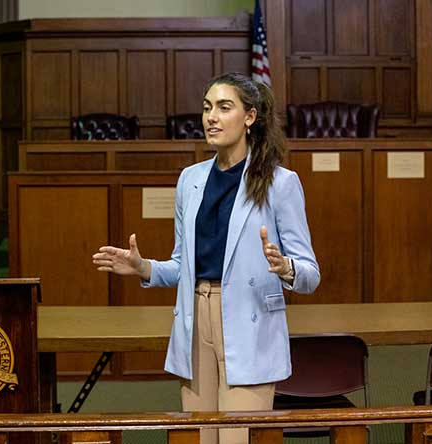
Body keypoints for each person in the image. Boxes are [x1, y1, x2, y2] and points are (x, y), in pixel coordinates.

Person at [92, 72, 320, 444]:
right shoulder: (190, 180)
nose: (211, 117)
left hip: (249, 326)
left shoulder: (280, 183)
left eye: (224, 107)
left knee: (233, 440)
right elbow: (182, 266)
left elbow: (311, 274)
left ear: (250, 117)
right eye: (206, 108)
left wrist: (286, 268)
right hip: (196, 322)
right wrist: (143, 267)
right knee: (197, 438)